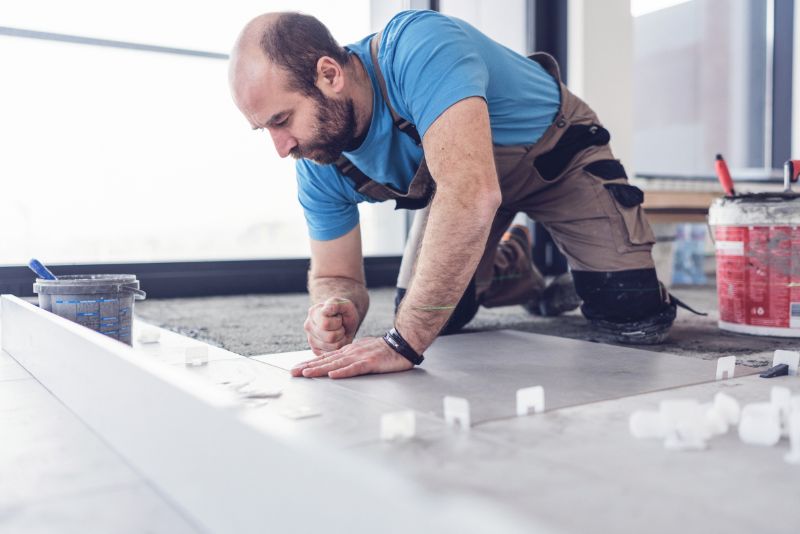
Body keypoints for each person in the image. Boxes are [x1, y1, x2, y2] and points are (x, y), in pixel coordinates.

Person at [228, 10, 680, 380]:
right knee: (438, 313)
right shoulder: (319, 157)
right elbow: (336, 276)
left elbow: (469, 195)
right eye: (264, 128)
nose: (281, 147)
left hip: (557, 158)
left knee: (632, 316)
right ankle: (510, 271)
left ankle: (613, 278)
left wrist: (402, 343)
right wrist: (335, 307)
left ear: (329, 75)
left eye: (281, 120)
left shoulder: (416, 48)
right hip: (468, 186)